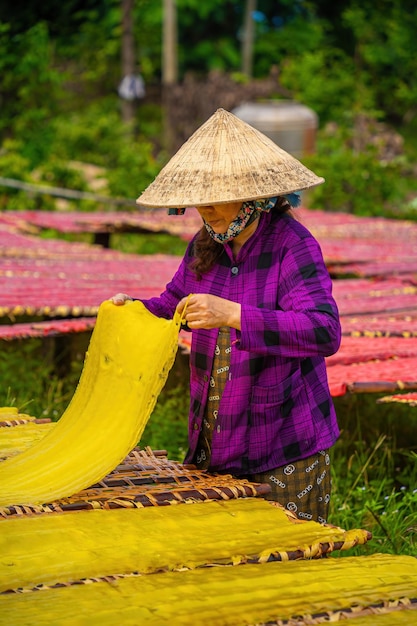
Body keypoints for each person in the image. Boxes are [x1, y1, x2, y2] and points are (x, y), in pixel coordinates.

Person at [111, 108, 341, 524]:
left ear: (253, 197)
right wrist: (133, 309)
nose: (206, 211)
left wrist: (234, 314)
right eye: (202, 202)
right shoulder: (206, 245)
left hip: (283, 443)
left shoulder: (293, 246)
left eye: (217, 201)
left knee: (286, 565)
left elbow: (323, 330)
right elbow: (172, 304)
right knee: (226, 560)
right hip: (216, 436)